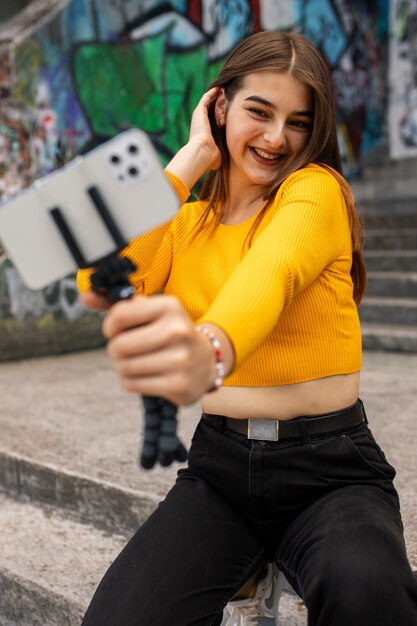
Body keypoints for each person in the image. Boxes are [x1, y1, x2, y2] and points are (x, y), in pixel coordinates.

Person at [77, 30, 417, 626]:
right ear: (219, 106)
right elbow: (96, 284)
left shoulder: (315, 193)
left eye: (298, 122)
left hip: (329, 470)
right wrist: (188, 162)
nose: (275, 137)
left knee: (370, 594)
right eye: (259, 111)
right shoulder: (185, 223)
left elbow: (272, 271)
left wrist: (208, 350)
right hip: (221, 468)